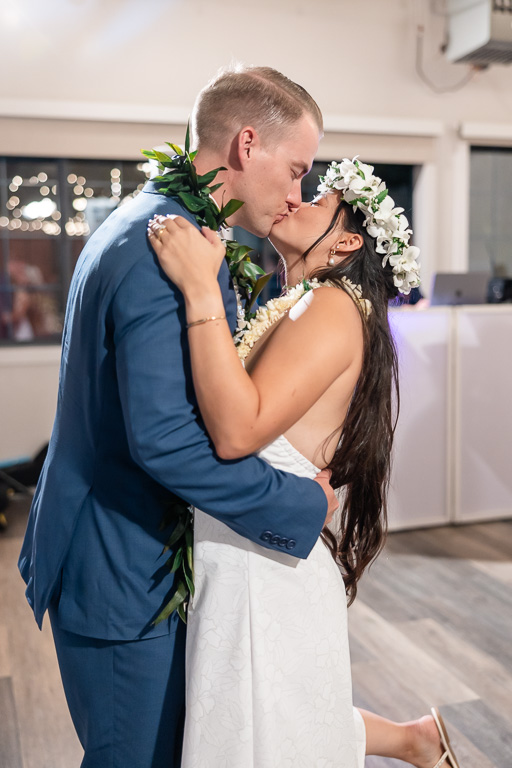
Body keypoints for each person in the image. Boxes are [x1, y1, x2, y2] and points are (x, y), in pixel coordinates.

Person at [18, 65, 340, 768]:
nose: (295, 196)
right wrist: (298, 502)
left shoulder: (165, 225)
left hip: (131, 556)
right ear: (246, 145)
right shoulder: (157, 246)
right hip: (119, 568)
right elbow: (166, 440)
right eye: (296, 170)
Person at [148, 158, 460, 768]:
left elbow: (236, 432)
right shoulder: (302, 300)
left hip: (264, 573)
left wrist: (199, 288)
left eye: (318, 199)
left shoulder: (329, 306)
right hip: (253, 560)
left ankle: (416, 740)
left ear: (345, 241)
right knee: (277, 728)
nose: (296, 200)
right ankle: (416, 740)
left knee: (268, 735)